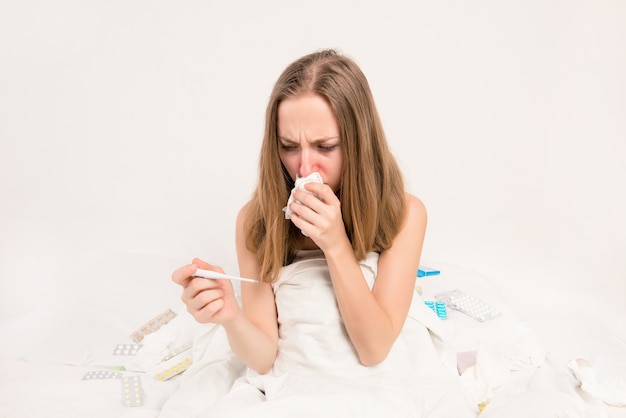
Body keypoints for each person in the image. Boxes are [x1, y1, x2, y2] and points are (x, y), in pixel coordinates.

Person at [171, 49, 433, 416]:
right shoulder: (254, 221)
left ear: (358, 142)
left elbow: (374, 349)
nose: (304, 166)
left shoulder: (405, 213)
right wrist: (230, 313)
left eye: (325, 147)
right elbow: (264, 358)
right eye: (289, 147)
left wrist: (336, 244)